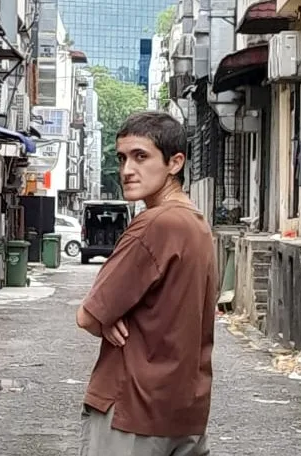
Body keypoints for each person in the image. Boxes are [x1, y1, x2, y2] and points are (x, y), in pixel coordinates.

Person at [75, 111, 217, 455]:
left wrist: (106, 320)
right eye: (122, 157)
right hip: (185, 412)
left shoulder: (154, 224)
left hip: (132, 411)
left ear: (175, 163)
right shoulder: (198, 225)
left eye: (141, 156)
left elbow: (88, 316)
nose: (127, 169)